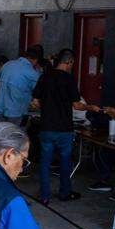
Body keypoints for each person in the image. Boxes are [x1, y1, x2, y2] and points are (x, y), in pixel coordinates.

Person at [31, 48, 99, 205]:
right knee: (65, 162)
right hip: (64, 129)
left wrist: (44, 105)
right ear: (69, 62)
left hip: (47, 127)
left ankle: (44, 196)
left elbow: (35, 102)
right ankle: (64, 193)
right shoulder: (69, 80)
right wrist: (90, 108)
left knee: (45, 163)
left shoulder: (44, 77)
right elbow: (76, 105)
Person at [0, 44, 43, 124]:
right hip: (15, 110)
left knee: (0, 134)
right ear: (35, 60)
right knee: (14, 134)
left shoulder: (7, 65)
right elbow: (38, 93)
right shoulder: (33, 73)